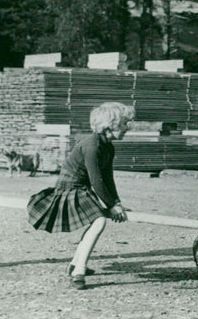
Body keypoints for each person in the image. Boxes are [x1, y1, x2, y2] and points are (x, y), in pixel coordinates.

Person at [28, 102, 135, 290]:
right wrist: (111, 206)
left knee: (97, 221)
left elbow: (107, 178)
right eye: (124, 124)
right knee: (99, 221)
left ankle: (75, 265)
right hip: (69, 189)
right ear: (109, 125)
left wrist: (116, 203)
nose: (128, 128)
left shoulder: (108, 147)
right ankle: (79, 270)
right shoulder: (91, 146)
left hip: (83, 189)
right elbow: (96, 181)